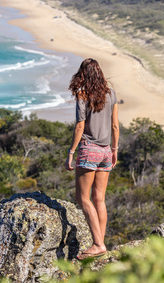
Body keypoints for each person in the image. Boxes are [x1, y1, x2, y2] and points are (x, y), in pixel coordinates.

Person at [65, 58, 119, 260]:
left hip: (89, 150)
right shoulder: (111, 93)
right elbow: (115, 126)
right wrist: (114, 149)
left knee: (83, 198)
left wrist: (71, 152)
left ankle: (98, 244)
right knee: (99, 199)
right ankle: (100, 243)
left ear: (83, 74)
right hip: (105, 151)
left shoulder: (83, 94)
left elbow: (80, 126)